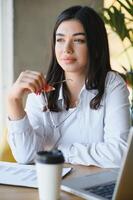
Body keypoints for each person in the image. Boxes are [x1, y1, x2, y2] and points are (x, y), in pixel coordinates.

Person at [7, 5, 130, 168]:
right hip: (52, 183)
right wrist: (13, 100)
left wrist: (57, 152)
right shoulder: (41, 90)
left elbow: (119, 154)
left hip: (94, 186)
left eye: (78, 40)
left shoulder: (112, 84)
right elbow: (25, 156)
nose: (67, 49)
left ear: (95, 46)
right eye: (60, 40)